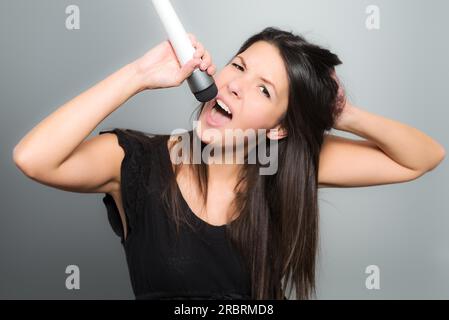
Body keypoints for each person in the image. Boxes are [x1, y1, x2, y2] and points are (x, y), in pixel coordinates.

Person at [13, 27, 445, 300]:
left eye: (263, 90)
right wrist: (139, 75)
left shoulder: (283, 166)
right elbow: (33, 158)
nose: (235, 86)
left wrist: (341, 114)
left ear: (279, 129)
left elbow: (422, 158)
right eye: (237, 66)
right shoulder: (138, 160)